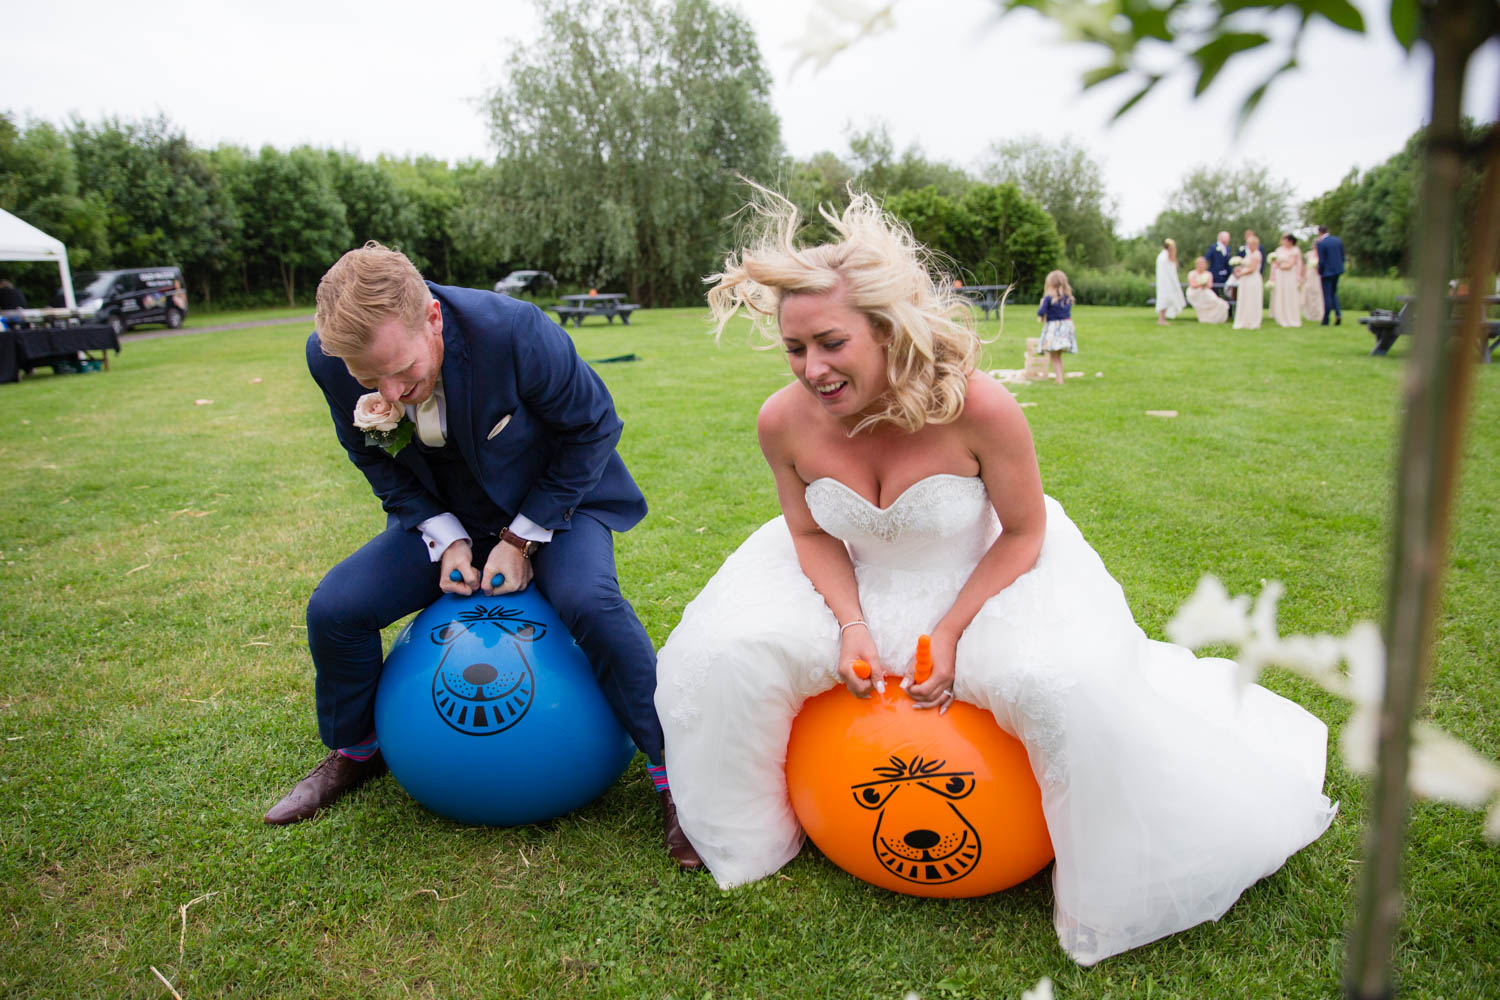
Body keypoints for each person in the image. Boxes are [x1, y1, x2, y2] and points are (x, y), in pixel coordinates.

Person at [655, 191, 1335, 966]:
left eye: (831, 343)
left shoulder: (979, 407)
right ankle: (750, 838)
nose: (812, 369)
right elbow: (809, 532)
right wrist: (849, 623)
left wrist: (948, 631)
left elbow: (1025, 532)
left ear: (885, 328)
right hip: (848, 577)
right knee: (716, 654)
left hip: (984, 575)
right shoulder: (781, 421)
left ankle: (1095, 881)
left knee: (1060, 683)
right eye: (794, 348)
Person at [265, 242, 701, 869]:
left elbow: (594, 428)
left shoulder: (515, 331)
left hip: (557, 504)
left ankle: (674, 779)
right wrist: (446, 536)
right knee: (335, 608)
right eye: (370, 381)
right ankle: (357, 752)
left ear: (433, 319)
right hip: (451, 512)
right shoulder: (330, 356)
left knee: (589, 602)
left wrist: (522, 538)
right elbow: (369, 455)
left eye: (401, 371)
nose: (391, 393)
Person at [1036, 270, 1076, 384]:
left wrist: (1041, 306)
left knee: (1054, 356)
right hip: (1065, 328)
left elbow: (1041, 313)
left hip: (1054, 329)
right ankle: (1059, 376)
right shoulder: (1067, 298)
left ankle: (1059, 379)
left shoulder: (1048, 298)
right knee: (1058, 356)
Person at [1268, 234, 1303, 328]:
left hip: (1289, 275)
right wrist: (1272, 276)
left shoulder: (1295, 250)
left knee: (1289, 295)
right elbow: (1273, 264)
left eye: (1285, 239)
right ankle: (1280, 316)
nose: (1282, 241)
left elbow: (1290, 265)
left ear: (1290, 241)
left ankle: (1291, 317)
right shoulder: (1278, 250)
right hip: (1280, 276)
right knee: (1281, 294)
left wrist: (1279, 265)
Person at [1232, 233, 1264, 330]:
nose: (1248, 246)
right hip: (1246, 279)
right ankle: (1245, 320)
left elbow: (1252, 269)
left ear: (1255, 244)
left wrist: (1240, 274)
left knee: (1251, 299)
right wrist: (1238, 269)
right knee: (1245, 299)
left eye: (1250, 244)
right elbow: (1245, 266)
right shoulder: (1249, 254)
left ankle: (1252, 321)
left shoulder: (1256, 254)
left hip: (1252, 279)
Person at [1316, 226, 1345, 325]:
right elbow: (1342, 257)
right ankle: (1338, 314)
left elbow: (1322, 261)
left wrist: (1320, 271)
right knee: (1333, 293)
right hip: (1337, 271)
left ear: (1319, 232)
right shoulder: (1338, 241)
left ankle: (1326, 319)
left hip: (1327, 273)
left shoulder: (1321, 243)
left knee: (1327, 295)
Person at [1186, 256, 1229, 323]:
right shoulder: (1192, 273)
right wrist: (1200, 285)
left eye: (1202, 264)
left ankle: (1213, 319)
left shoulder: (1208, 274)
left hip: (1206, 291)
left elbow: (1210, 285)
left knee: (1219, 302)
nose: (1201, 265)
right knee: (1204, 296)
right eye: (1199, 264)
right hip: (1195, 292)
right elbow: (1192, 285)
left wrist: (1204, 285)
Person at [1154, 239, 1186, 325]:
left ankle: (1162, 319)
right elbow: (1168, 272)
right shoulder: (1164, 257)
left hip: (1168, 283)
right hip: (1165, 283)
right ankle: (1161, 320)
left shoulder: (1165, 256)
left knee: (1168, 300)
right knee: (1164, 300)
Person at [1301, 244, 1326, 323]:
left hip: (1318, 276)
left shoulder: (1322, 253)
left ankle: (1319, 313)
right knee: (1308, 293)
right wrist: (1304, 276)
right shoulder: (1309, 254)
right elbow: (1305, 265)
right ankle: (1310, 313)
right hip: (1310, 275)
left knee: (1318, 294)